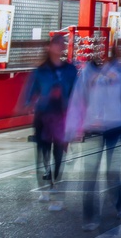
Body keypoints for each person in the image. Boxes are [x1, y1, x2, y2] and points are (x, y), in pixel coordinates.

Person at [65, 47, 121, 231]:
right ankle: (89, 216)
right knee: (90, 174)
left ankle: (117, 204)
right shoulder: (87, 73)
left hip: (117, 126)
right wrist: (72, 128)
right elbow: (77, 100)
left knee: (113, 171)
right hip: (93, 128)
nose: (103, 58)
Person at [21, 33, 78, 211]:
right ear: (50, 47)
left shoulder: (70, 70)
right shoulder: (41, 71)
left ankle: (55, 188)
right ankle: (46, 184)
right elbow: (31, 91)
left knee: (59, 153)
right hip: (43, 115)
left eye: (63, 44)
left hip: (62, 115)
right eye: (58, 44)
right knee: (43, 152)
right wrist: (27, 104)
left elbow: (76, 93)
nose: (60, 47)